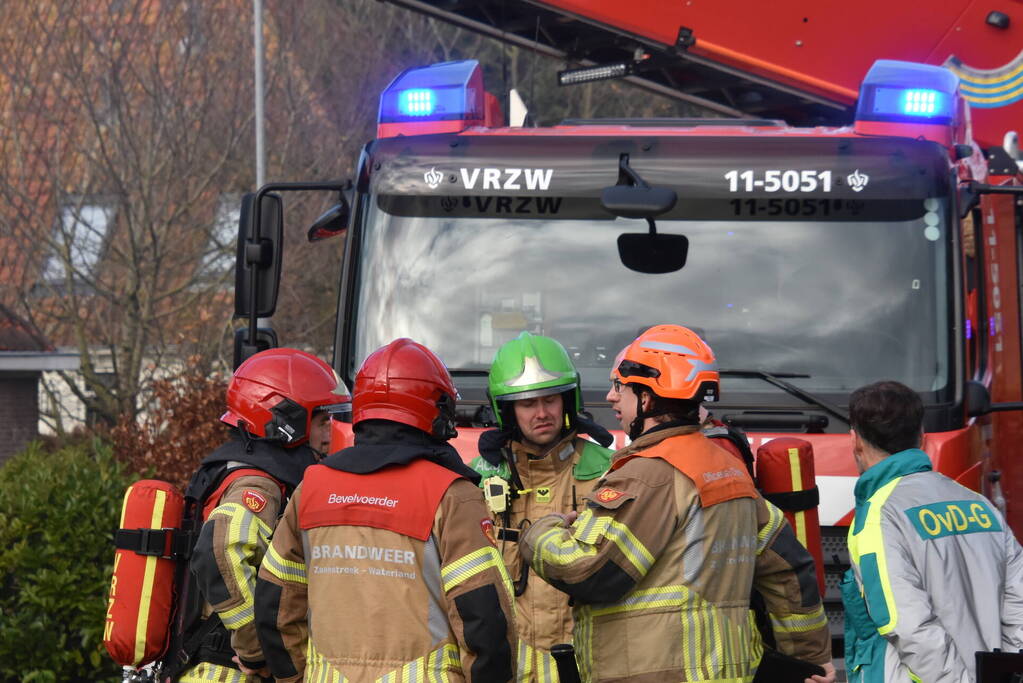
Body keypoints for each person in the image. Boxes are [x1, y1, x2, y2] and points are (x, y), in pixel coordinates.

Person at [519, 324, 834, 683]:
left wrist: (542, 531)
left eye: (620, 386)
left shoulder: (647, 475)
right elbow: (790, 572)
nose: (610, 397)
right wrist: (810, 660)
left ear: (648, 398)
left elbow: (590, 572)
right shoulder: (729, 469)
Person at [253, 338, 518, 682]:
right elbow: (484, 619)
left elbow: (275, 602)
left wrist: (296, 677)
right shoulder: (452, 495)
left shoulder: (312, 489)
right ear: (436, 412)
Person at [175, 347, 351, 682]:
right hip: (228, 671)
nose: (331, 433)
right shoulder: (258, 484)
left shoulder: (255, 471)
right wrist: (258, 650)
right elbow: (219, 552)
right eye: (322, 420)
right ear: (287, 421)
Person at [842, 380, 1023, 683]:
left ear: (855, 441)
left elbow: (904, 625)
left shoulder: (879, 515)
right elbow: (1018, 607)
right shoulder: (979, 504)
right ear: (922, 438)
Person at [470, 331, 614, 681]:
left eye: (550, 400)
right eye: (527, 403)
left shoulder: (610, 469)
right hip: (511, 667)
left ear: (568, 400)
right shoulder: (479, 477)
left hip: (588, 665)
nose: (542, 413)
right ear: (507, 409)